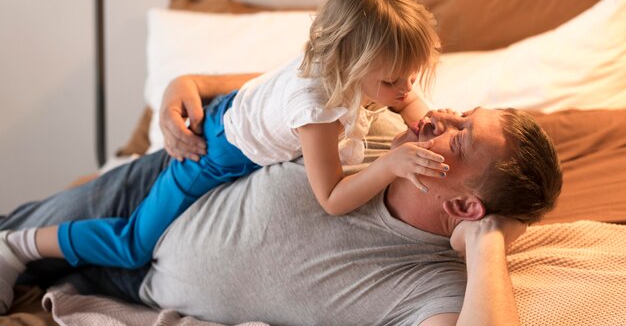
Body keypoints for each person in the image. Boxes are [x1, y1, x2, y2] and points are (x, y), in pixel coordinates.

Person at [0, 0, 446, 303]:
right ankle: (17, 245)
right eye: (393, 80)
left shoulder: (344, 66)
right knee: (133, 244)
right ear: (349, 63)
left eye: (411, 76)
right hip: (213, 154)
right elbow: (330, 197)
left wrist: (431, 122)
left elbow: (409, 103)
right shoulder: (318, 112)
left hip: (237, 108)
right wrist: (389, 165)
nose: (406, 90)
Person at [0, 71, 562, 325]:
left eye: (458, 137)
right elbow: (299, 84)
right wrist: (187, 84)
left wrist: (488, 243)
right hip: (156, 189)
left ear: (466, 208)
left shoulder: (434, 287)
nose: (439, 116)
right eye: (462, 111)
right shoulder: (374, 132)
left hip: (140, 286)